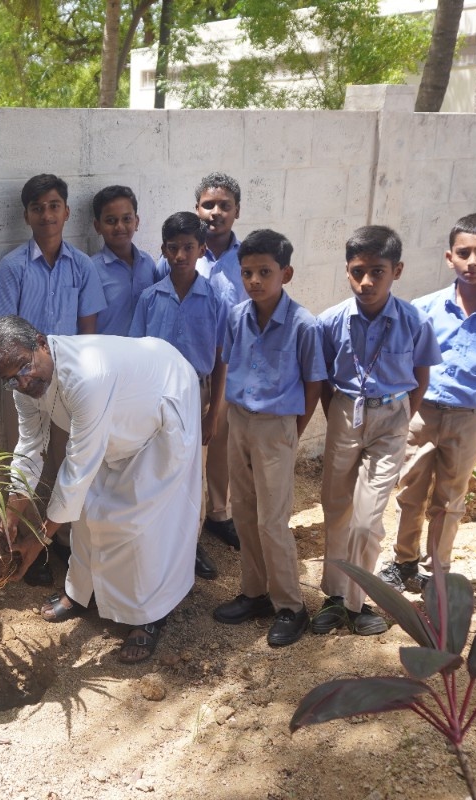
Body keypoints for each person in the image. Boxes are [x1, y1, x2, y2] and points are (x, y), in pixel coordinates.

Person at [0, 315, 202, 664]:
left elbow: (77, 467)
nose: (23, 381)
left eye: (25, 366)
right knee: (86, 510)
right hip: (112, 423)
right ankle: (80, 593)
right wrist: (12, 513)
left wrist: (39, 540)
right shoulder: (23, 388)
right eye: (10, 379)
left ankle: (148, 615)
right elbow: (30, 447)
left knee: (139, 521)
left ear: (41, 343)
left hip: (163, 403)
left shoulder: (86, 375)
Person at [378, 213, 476, 592]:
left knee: (449, 498)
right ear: (450, 258)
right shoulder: (424, 309)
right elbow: (408, 362)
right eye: (463, 253)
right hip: (423, 414)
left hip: (470, 419)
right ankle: (404, 561)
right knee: (410, 491)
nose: (472, 262)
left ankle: (436, 571)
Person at [314, 225, 441, 636]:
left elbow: (421, 375)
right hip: (344, 412)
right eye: (357, 271)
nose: (366, 282)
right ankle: (334, 598)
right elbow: (323, 378)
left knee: (367, 520)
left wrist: (400, 416)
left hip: (392, 417)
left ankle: (357, 601)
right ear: (347, 271)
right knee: (336, 508)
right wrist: (337, 413)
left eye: (377, 272)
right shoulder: (330, 321)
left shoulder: (414, 321)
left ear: (396, 271)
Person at [0, 174, 107, 586]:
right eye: (37, 208)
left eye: (54, 206)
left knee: (68, 459)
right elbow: (1, 334)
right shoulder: (13, 266)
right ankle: (30, 545)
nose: (47, 214)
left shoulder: (82, 266)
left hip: (70, 383)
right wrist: (20, 376)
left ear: (67, 212)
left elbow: (89, 333)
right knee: (27, 459)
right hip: (24, 382)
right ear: (26, 216)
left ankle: (65, 542)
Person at [210, 229, 325, 647]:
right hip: (239, 420)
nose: (254, 280)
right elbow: (229, 365)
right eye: (247, 272)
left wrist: (293, 431)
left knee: (272, 521)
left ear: (285, 273)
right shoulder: (236, 316)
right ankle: (254, 593)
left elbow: (314, 384)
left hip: (277, 426)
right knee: (243, 511)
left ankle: (291, 606)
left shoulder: (303, 325)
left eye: (264, 272)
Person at [152, 173, 248, 556]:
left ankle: (219, 514)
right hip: (177, 378)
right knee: (183, 455)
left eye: (225, 205)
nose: (216, 212)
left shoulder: (246, 258)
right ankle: (180, 527)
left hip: (228, 366)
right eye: (208, 205)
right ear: (197, 209)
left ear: (236, 211)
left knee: (219, 441)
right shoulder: (179, 255)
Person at [130, 211, 228, 580]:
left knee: (193, 471)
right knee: (156, 467)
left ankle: (191, 543)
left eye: (189, 247)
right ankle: (156, 543)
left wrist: (212, 413)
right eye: (173, 248)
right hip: (155, 394)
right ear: (163, 250)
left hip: (197, 394)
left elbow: (220, 360)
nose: (181, 255)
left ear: (202, 250)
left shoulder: (215, 300)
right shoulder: (150, 298)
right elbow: (136, 354)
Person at [90, 185, 157, 336]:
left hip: (146, 348)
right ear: (97, 226)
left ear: (136, 222)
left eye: (126, 219)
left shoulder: (148, 263)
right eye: (111, 220)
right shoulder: (91, 270)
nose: (119, 227)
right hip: (108, 350)